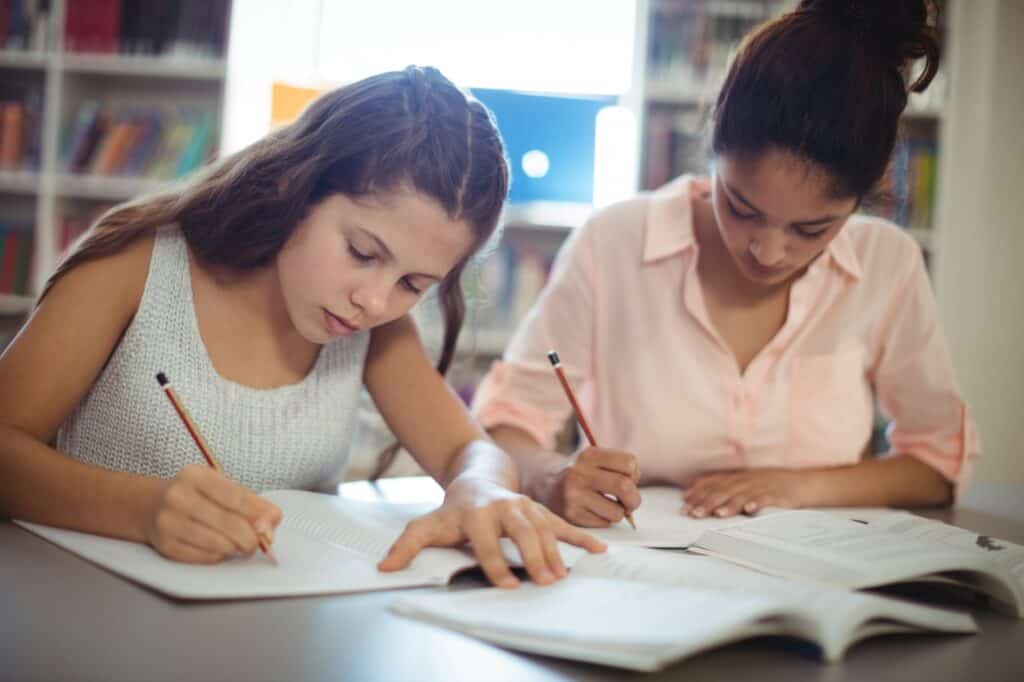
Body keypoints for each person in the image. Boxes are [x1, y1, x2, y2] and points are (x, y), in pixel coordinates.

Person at [0, 66, 603, 588]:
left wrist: (484, 490)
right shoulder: (135, 266)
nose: (373, 300)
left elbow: (468, 448)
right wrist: (143, 509)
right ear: (298, 185)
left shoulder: (373, 329)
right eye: (362, 252)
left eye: (413, 285)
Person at [473, 0, 977, 527]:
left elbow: (937, 464)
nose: (768, 251)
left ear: (863, 199)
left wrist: (795, 486)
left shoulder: (886, 263)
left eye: (812, 229)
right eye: (740, 207)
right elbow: (507, 426)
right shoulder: (614, 242)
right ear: (712, 147)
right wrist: (553, 476)